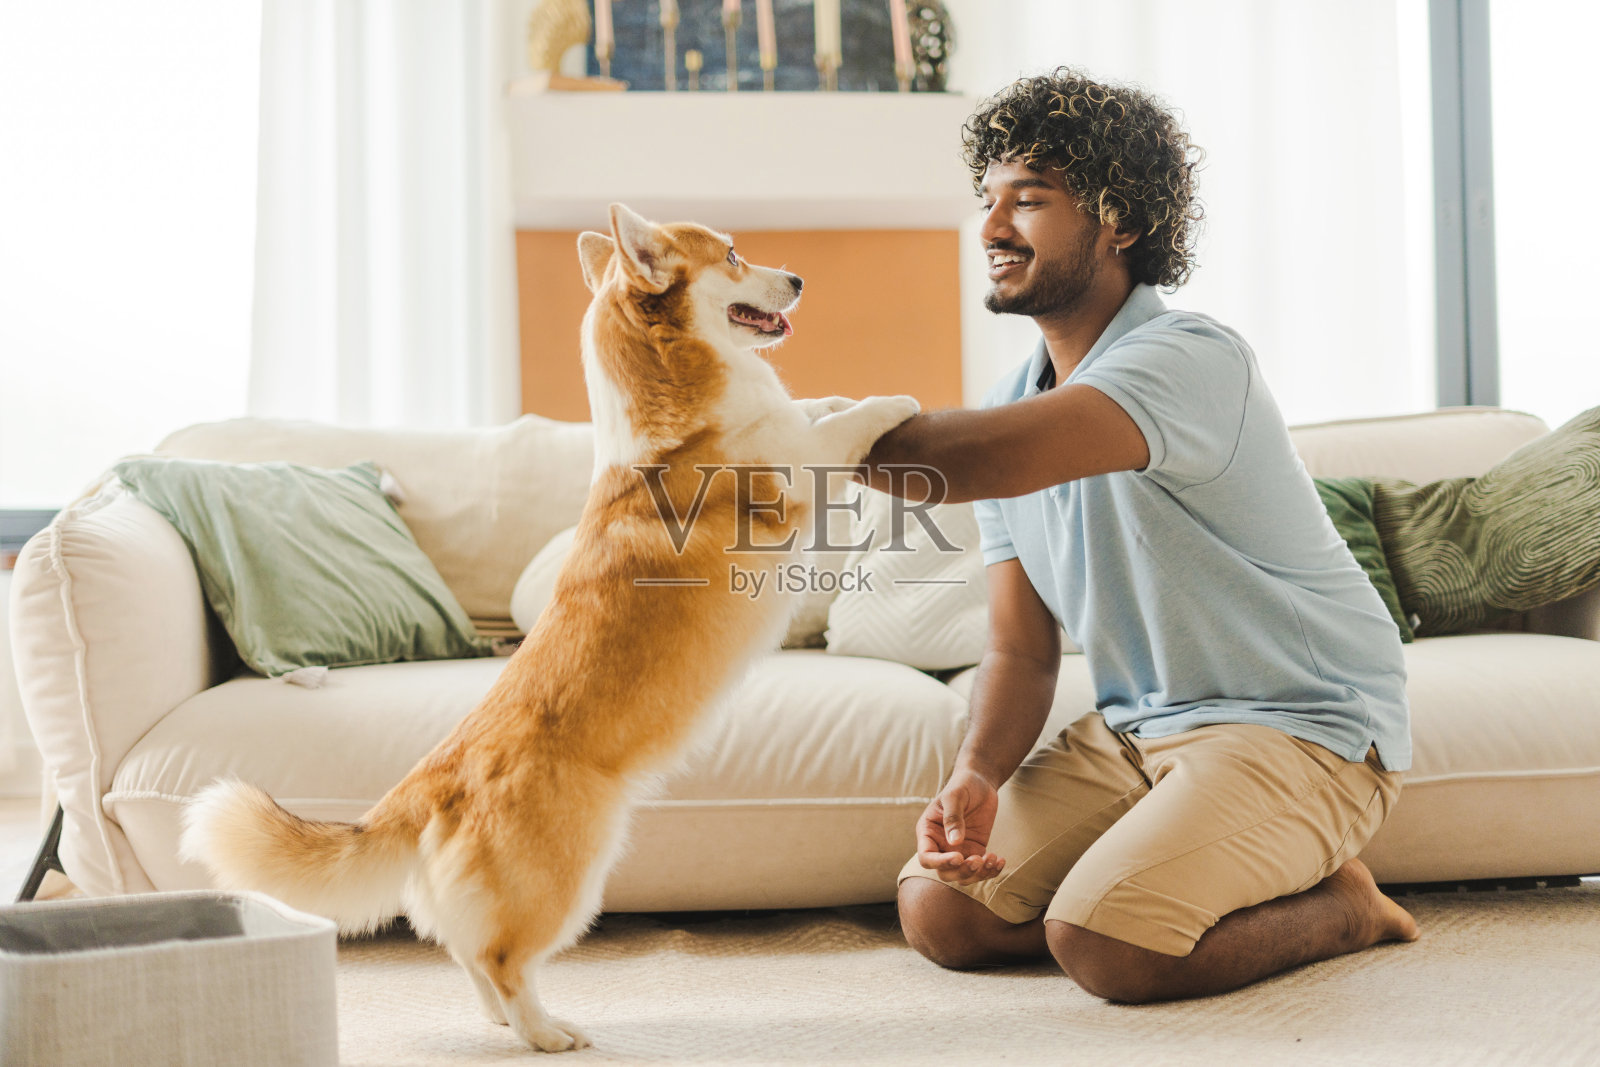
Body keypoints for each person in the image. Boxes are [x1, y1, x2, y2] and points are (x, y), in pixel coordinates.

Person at [856, 67, 1420, 1003]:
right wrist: (977, 772)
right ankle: (1168, 857)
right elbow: (1019, 648)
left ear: (1118, 220)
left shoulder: (1187, 359)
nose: (992, 228)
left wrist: (775, 430)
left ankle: (1349, 905)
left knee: (1106, 944)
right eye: (987, 199)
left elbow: (960, 458)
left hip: (1301, 725)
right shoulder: (1009, 404)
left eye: (1028, 200)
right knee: (944, 912)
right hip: (1138, 731)